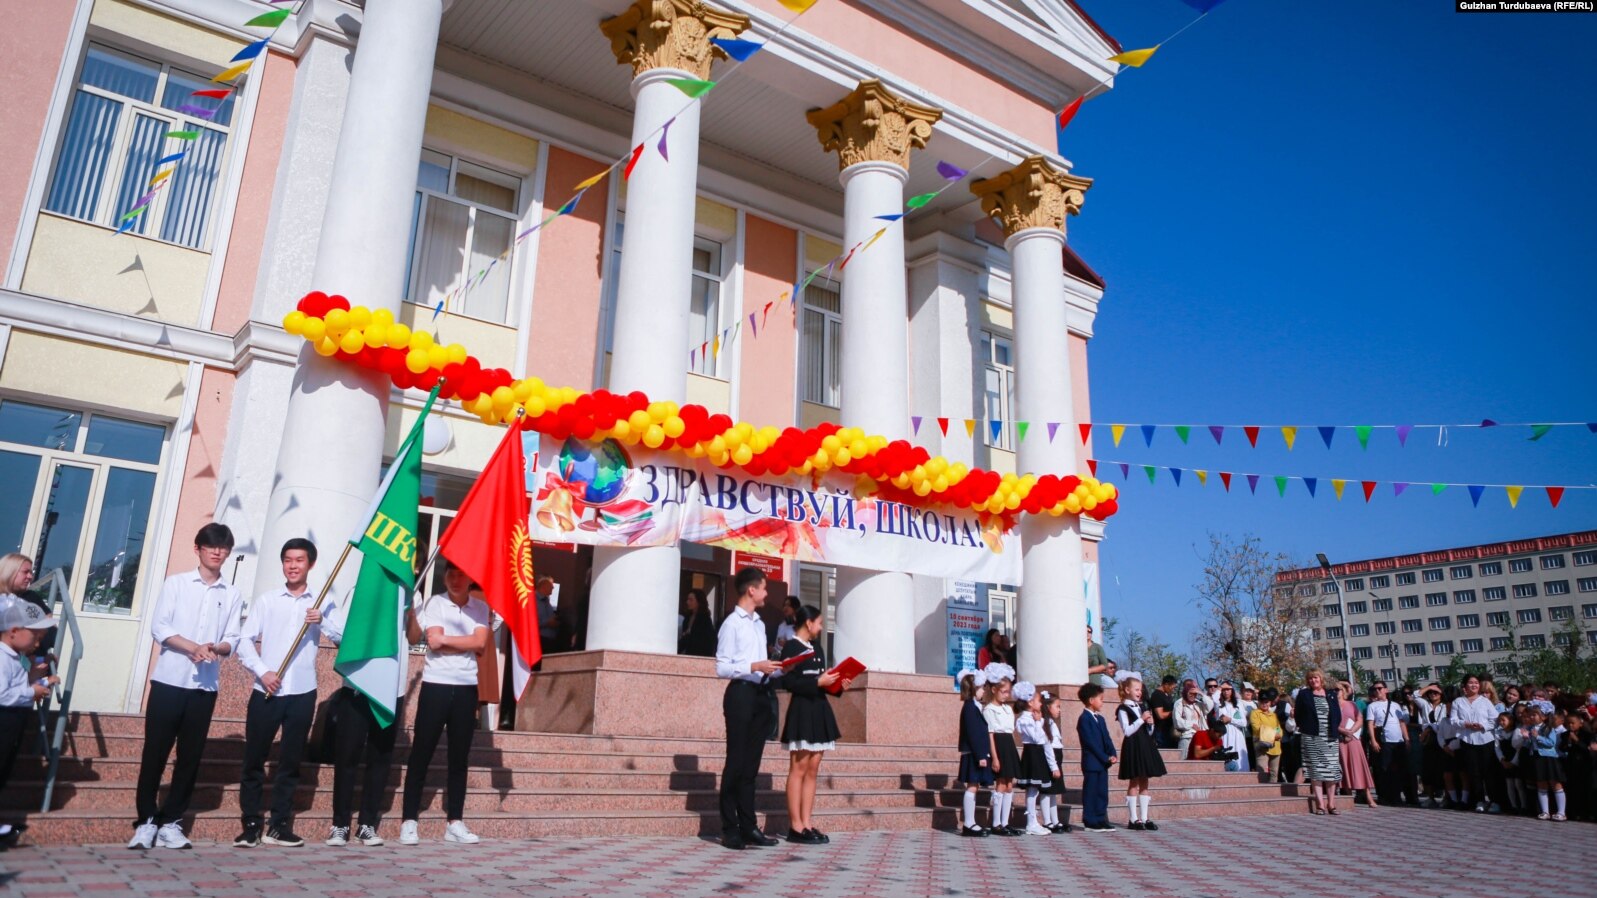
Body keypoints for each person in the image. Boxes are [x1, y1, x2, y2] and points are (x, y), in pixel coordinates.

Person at [129, 524, 243, 851]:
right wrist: (192, 647)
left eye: (223, 548)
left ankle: (172, 822)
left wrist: (216, 649)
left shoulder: (232, 594)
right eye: (210, 546)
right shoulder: (176, 583)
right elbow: (160, 627)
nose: (217, 552)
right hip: (168, 681)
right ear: (198, 549)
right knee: (155, 753)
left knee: (190, 757)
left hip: (204, 687)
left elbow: (232, 639)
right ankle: (146, 821)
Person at [233, 539, 328, 849]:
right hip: (267, 690)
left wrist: (322, 621)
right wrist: (263, 671)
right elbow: (244, 640)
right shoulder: (268, 600)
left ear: (310, 564)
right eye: (288, 559)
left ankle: (279, 825)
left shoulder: (322, 602)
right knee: (254, 758)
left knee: (290, 761)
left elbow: (344, 637)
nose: (293, 565)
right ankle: (250, 824)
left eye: (299, 560)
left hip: (302, 692)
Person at [399, 561, 491, 846]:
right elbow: (432, 643)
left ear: (469, 577)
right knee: (421, 753)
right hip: (436, 684)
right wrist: (464, 641)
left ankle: (455, 821)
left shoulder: (480, 608)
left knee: (459, 757)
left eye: (460, 573)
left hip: (466, 687)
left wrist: (449, 640)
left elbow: (480, 644)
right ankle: (409, 820)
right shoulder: (435, 603)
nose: (455, 579)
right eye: (450, 574)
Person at [715, 566, 781, 850]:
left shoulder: (759, 623)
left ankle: (749, 826)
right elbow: (722, 667)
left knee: (751, 766)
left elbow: (760, 662)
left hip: (761, 693)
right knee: (736, 762)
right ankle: (730, 828)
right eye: (764, 587)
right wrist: (753, 666)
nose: (767, 593)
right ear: (751, 590)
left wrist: (775, 668)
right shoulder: (732, 623)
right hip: (740, 695)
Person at [322, 596, 396, 848]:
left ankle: (367, 824)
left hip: (389, 690)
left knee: (379, 758)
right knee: (347, 757)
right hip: (357, 686)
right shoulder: (360, 587)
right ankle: (340, 823)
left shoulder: (412, 592)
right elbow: (341, 635)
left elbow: (415, 634)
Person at [778, 604, 849, 845]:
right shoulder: (791, 647)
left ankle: (807, 823)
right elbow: (789, 682)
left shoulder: (817, 647)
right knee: (798, 768)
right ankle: (795, 825)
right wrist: (818, 682)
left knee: (813, 768)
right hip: (802, 710)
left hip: (819, 709)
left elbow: (823, 682)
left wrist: (838, 684)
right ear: (808, 623)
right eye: (819, 622)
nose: (821, 627)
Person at [0, 595, 57, 847]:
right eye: (34, 636)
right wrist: (31, 692)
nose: (38, 642)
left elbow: (16, 688)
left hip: (12, 723)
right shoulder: (2, 659)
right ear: (13, 631)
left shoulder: (14, 658)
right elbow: (3, 694)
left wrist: (41, 683)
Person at [1115, 677, 1166, 831]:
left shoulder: (1142, 706)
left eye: (1141, 689)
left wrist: (1150, 725)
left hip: (1145, 745)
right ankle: (1133, 818)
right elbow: (1127, 731)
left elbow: (1148, 731)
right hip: (1133, 746)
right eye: (1136, 689)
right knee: (1134, 780)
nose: (1140, 692)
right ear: (1127, 690)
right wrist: (1141, 720)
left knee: (1145, 780)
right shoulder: (1123, 709)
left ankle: (1144, 817)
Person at [1294, 669, 1343, 815]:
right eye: (1310, 678)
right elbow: (1298, 715)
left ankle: (1331, 803)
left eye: (1315, 678)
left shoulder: (1331, 694)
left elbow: (1337, 714)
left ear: (1321, 679)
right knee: (1316, 771)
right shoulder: (1304, 695)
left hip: (1330, 737)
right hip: (1312, 737)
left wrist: (1333, 729)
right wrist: (1306, 727)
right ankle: (1320, 804)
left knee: (1331, 771)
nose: (1313, 681)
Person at [1449, 674, 1497, 813]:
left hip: (1485, 739)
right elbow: (1453, 720)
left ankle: (1494, 801)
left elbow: (1494, 719)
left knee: (1488, 772)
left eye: (1476, 683)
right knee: (1474, 773)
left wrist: (1482, 726)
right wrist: (1465, 724)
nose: (1474, 685)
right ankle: (1479, 800)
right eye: (1471, 683)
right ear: (1464, 686)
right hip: (1467, 740)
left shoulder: (1485, 701)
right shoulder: (1458, 702)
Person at [982, 664, 1019, 836]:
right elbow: (990, 735)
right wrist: (994, 758)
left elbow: (1010, 732)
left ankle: (1005, 822)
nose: (1006, 695)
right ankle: (996, 823)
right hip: (998, 745)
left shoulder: (1008, 709)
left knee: (1010, 784)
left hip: (1009, 745)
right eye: (1003, 691)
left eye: (1008, 692)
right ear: (995, 690)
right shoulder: (989, 709)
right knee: (1001, 784)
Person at [954, 669, 993, 837]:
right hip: (973, 754)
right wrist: (980, 755)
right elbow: (973, 734)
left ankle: (971, 822)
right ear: (973, 688)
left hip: (976, 753)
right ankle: (968, 823)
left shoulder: (974, 706)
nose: (984, 690)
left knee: (974, 787)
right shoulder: (970, 707)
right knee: (972, 787)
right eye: (981, 687)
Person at [1364, 681, 1413, 806]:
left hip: (1398, 741)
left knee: (1399, 769)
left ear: (1386, 690)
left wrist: (1406, 738)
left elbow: (1401, 722)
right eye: (1375, 689)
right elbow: (1370, 724)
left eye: (1380, 688)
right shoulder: (1372, 706)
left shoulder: (1395, 705)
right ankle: (1385, 796)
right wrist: (1373, 740)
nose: (1377, 691)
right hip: (1384, 740)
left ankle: (1397, 796)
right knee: (1385, 770)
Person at [1076, 683, 1117, 833]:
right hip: (1092, 762)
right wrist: (1104, 757)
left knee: (1102, 791)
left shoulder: (1101, 719)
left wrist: (1112, 753)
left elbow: (1107, 739)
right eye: (1100, 699)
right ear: (1091, 700)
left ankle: (1101, 818)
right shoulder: (1084, 719)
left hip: (1103, 763)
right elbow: (1090, 743)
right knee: (1091, 791)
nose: (1102, 702)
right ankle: (1090, 820)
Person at [0, 554, 53, 660]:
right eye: (25, 572)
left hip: (28, 663)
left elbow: (51, 632)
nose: (30, 577)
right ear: (9, 572)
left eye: (31, 572)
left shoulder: (31, 597)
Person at [1518, 705, 1566, 820]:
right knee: (1541, 783)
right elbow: (1529, 744)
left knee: (1555, 784)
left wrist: (1538, 737)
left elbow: (1551, 743)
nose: (1532, 717)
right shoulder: (1530, 728)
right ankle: (1545, 811)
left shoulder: (1548, 728)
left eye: (1534, 715)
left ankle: (1561, 812)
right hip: (1536, 758)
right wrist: (1526, 738)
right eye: (1530, 715)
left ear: (1543, 717)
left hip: (1548, 759)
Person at [1335, 681, 1374, 805]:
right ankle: (1348, 798)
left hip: (1354, 740)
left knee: (1359, 767)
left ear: (1344, 691)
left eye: (1339, 689)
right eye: (1334, 690)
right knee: (1344, 768)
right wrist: (1343, 731)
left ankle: (1369, 797)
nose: (1336, 692)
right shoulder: (1330, 706)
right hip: (1339, 740)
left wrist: (1350, 732)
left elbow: (1360, 719)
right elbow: (1330, 723)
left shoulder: (1351, 704)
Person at [1039, 690, 1070, 833]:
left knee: (1053, 792)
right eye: (1057, 706)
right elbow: (1048, 747)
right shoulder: (1044, 724)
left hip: (1056, 757)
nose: (1059, 709)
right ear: (1047, 707)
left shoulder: (1052, 723)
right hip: (1049, 760)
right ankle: (1047, 821)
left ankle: (1055, 820)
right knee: (1047, 791)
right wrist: (1053, 766)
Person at [1212, 683, 1249, 772]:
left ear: (1232, 690)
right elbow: (1214, 698)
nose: (1226, 692)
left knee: (1238, 754)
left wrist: (1230, 720)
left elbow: (1244, 723)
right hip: (1224, 734)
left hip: (1237, 734)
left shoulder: (1238, 704)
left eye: (1228, 689)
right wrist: (1220, 688)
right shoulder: (1218, 704)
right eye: (1224, 690)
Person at [1250, 688, 1284, 782]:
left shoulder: (1274, 715)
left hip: (1276, 748)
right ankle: (1262, 794)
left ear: (1270, 702)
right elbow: (1257, 728)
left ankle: (1273, 794)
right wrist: (1275, 734)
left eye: (1267, 701)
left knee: (1274, 774)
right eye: (1262, 701)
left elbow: (1279, 729)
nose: (1265, 704)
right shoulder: (1254, 713)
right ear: (1259, 701)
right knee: (1262, 772)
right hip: (1261, 747)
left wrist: (1277, 733)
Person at [677, 588, 716, 657]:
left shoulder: (704, 619)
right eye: (687, 599)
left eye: (691, 600)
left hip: (699, 655)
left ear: (699, 602)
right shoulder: (687, 618)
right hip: (687, 654)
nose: (688, 602)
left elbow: (706, 641)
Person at [1172, 681, 1206, 758]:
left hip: (1198, 737)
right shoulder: (1179, 703)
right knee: (1183, 760)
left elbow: (1210, 705)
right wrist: (1192, 724)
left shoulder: (1198, 703)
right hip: (1186, 737)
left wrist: (1201, 693)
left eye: (1195, 694)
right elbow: (1177, 721)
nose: (1192, 695)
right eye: (1190, 693)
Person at [533, 576, 559, 659]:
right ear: (543, 586)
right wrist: (547, 623)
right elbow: (530, 623)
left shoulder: (547, 602)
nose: (553, 587)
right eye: (551, 584)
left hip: (549, 642)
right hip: (538, 641)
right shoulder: (532, 600)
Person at [1147, 676, 1177, 749]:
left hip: (1168, 730)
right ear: (1166, 684)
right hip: (1161, 731)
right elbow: (1160, 715)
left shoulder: (1167, 695)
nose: (1173, 690)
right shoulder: (1157, 695)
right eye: (1172, 688)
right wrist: (1175, 713)